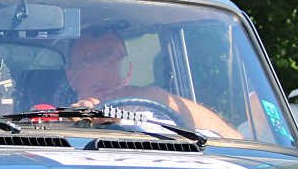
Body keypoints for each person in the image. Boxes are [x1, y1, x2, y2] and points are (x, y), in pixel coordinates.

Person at [64, 29, 239, 137]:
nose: (103, 71)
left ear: (129, 70)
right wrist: (73, 122)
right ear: (71, 77)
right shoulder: (58, 118)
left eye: (112, 58)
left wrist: (158, 97)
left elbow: (233, 141)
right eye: (89, 62)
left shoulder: (162, 119)